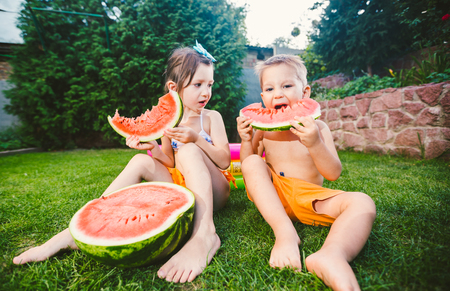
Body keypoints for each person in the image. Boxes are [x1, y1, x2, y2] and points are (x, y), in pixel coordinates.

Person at [13, 41, 234, 284]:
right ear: (174, 87)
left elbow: (224, 161)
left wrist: (196, 140)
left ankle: (205, 234)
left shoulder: (212, 117)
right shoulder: (168, 121)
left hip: (214, 190)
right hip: (183, 188)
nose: (206, 92)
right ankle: (87, 225)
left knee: (190, 151)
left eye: (210, 84)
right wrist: (153, 148)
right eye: (198, 85)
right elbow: (170, 163)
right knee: (140, 161)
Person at [236, 54, 376, 291]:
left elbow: (333, 173)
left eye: (287, 85)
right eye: (270, 89)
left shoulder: (318, 128)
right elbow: (247, 170)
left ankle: (332, 255)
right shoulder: (263, 130)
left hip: (310, 199)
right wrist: (246, 140)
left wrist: (314, 143)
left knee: (363, 202)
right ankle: (285, 234)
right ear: (262, 98)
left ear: (305, 92)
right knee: (251, 163)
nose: (278, 94)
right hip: (274, 198)